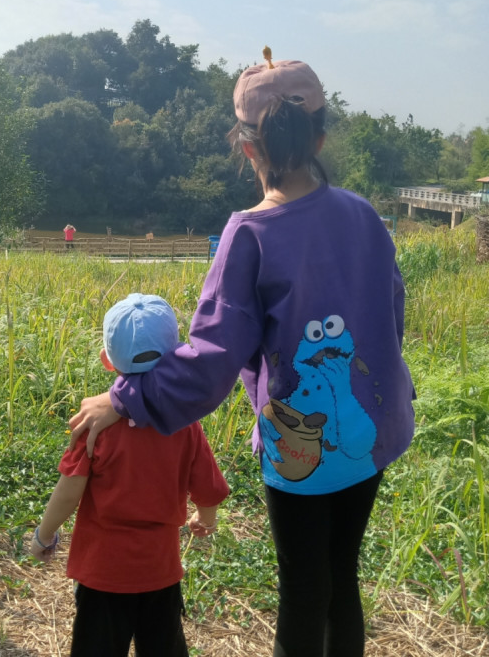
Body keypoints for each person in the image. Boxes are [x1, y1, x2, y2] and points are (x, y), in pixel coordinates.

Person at [69, 50, 415, 657]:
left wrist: (124, 398)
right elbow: (392, 313)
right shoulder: (363, 215)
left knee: (304, 588)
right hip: (373, 430)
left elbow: (211, 358)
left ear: (247, 148)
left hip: (301, 447)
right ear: (320, 137)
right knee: (341, 578)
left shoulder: (249, 234)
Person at [31, 293, 230, 657]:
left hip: (102, 571)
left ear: (107, 361)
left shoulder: (94, 425)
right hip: (160, 568)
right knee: (163, 646)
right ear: (175, 357)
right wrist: (206, 519)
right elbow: (208, 485)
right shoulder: (184, 425)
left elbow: (69, 491)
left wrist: (44, 535)